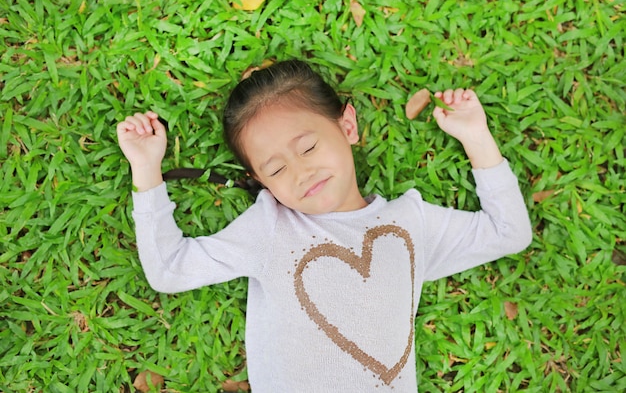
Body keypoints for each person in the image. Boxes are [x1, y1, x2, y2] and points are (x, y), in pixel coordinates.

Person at [116, 60, 532, 392]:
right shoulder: (272, 226)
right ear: (263, 183)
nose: (301, 172)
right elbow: (169, 269)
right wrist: (146, 168)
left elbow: (509, 233)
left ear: (347, 126)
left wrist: (476, 137)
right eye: (276, 168)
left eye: (309, 146)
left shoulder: (410, 223)